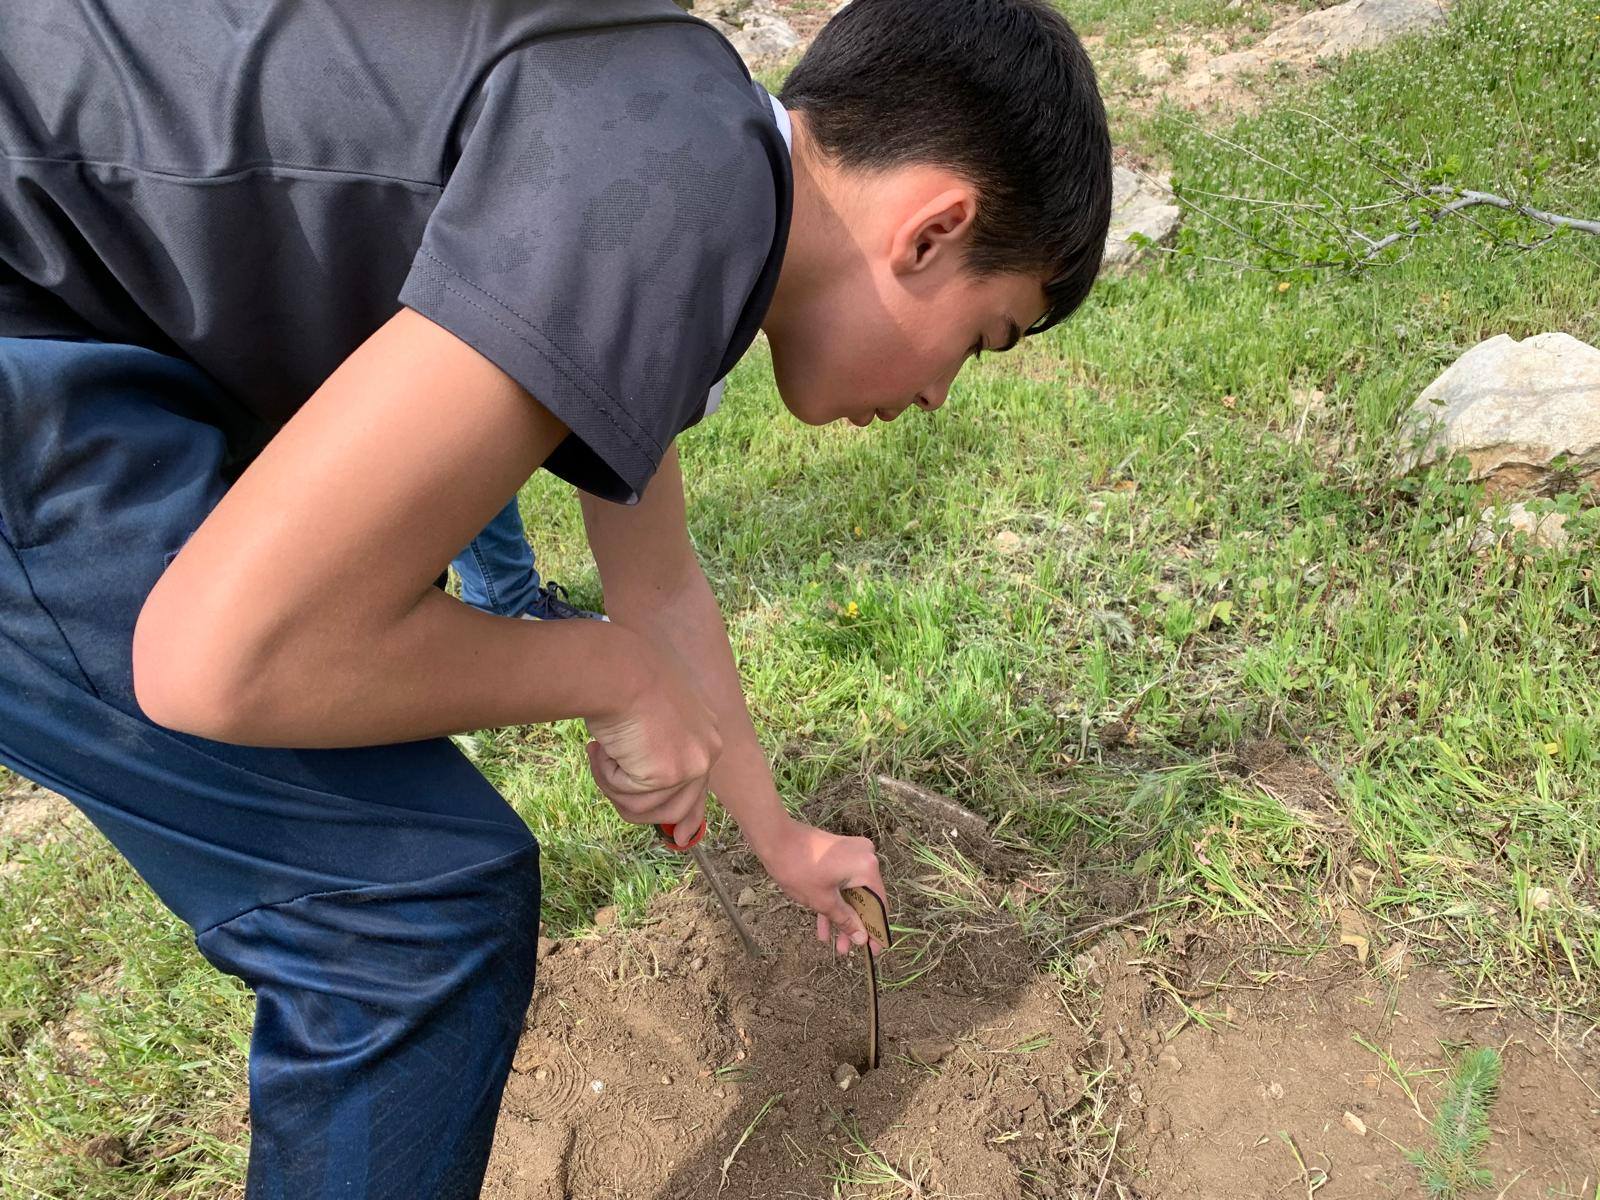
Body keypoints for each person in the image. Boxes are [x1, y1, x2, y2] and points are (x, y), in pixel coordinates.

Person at [0, 0, 1111, 1195]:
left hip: (74, 315)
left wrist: (778, 837)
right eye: (983, 338)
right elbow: (216, 660)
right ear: (933, 231)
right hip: (32, 333)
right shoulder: (673, 192)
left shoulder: (672, 147)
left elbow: (660, 590)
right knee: (407, 914)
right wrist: (610, 676)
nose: (940, 393)